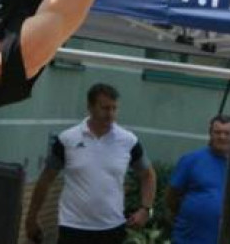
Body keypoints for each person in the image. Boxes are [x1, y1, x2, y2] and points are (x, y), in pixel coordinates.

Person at [25, 83, 156, 244]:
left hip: (112, 227)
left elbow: (148, 175)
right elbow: (46, 179)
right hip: (72, 226)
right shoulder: (68, 139)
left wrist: (146, 209)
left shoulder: (128, 141)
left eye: (114, 108)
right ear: (90, 107)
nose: (111, 114)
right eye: (105, 108)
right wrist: (32, 217)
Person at [166, 114, 230, 244]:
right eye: (217, 132)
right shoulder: (191, 160)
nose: (222, 137)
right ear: (210, 134)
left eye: (227, 133)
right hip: (188, 239)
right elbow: (171, 196)